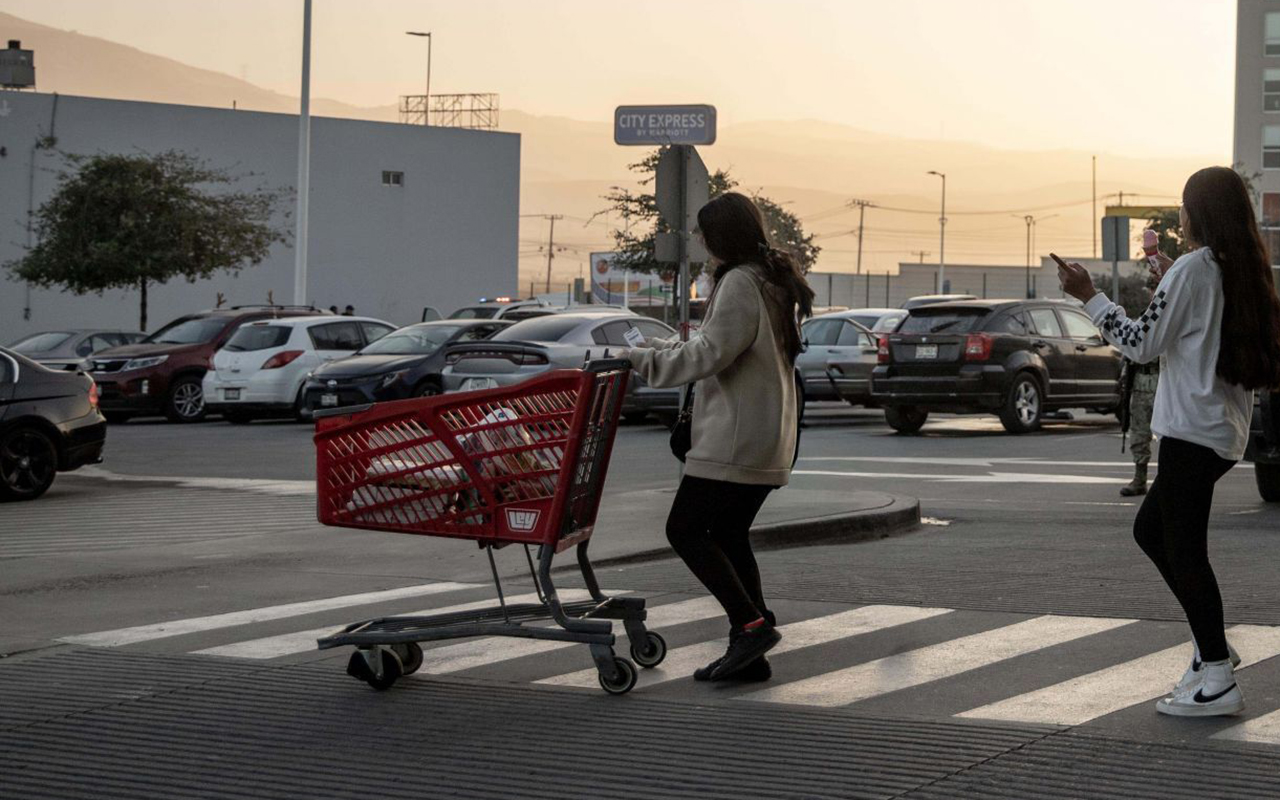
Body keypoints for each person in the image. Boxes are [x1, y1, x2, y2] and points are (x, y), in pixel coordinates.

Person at [1057, 166, 1280, 717]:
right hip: (1221, 432)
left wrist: (1090, 296)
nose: (1178, 216)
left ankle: (1219, 676)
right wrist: (1166, 288)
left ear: (1197, 212)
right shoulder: (1242, 269)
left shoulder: (1194, 268)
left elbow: (1140, 342)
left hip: (1190, 432)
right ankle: (1213, 650)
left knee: (1183, 549)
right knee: (1152, 530)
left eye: (1183, 205)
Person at [619, 192, 814, 682]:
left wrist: (640, 359)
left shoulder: (740, 283)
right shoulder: (771, 279)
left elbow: (710, 356)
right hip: (767, 434)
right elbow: (720, 346)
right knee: (727, 534)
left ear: (720, 236)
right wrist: (663, 344)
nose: (700, 242)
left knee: (683, 530)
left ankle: (750, 626)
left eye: (704, 233)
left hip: (735, 439)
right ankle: (751, 645)